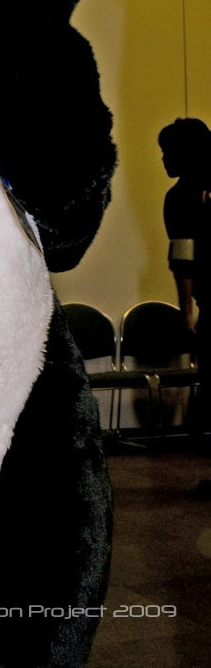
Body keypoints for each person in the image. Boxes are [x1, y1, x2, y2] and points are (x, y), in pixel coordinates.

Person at [158, 117, 211, 494]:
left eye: (167, 151)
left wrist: (186, 313)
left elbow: (183, 259)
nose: (163, 159)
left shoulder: (179, 198)